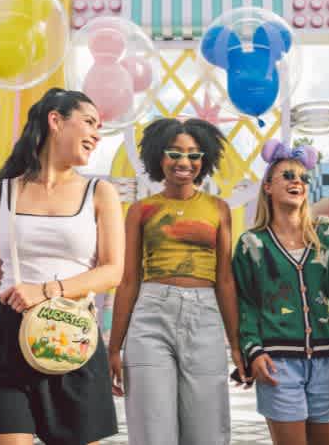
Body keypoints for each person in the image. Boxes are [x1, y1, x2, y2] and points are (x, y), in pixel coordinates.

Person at [0, 88, 124, 445]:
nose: (97, 134)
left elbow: (113, 271)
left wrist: (48, 290)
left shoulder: (100, 193)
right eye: (90, 122)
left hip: (73, 334)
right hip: (4, 338)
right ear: (55, 121)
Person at [107, 117, 243, 445]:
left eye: (194, 155)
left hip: (205, 314)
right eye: (174, 153)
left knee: (208, 430)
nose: (184, 162)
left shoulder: (219, 209)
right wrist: (114, 347)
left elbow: (225, 280)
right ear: (158, 156)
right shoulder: (141, 210)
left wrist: (237, 345)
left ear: (204, 160)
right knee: (152, 428)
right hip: (150, 315)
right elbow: (128, 281)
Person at [232, 140, 329, 445]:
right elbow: (245, 304)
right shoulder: (252, 244)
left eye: (303, 178)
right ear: (267, 187)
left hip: (327, 358)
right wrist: (253, 351)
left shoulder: (326, 233)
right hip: (278, 360)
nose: (297, 182)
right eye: (287, 176)